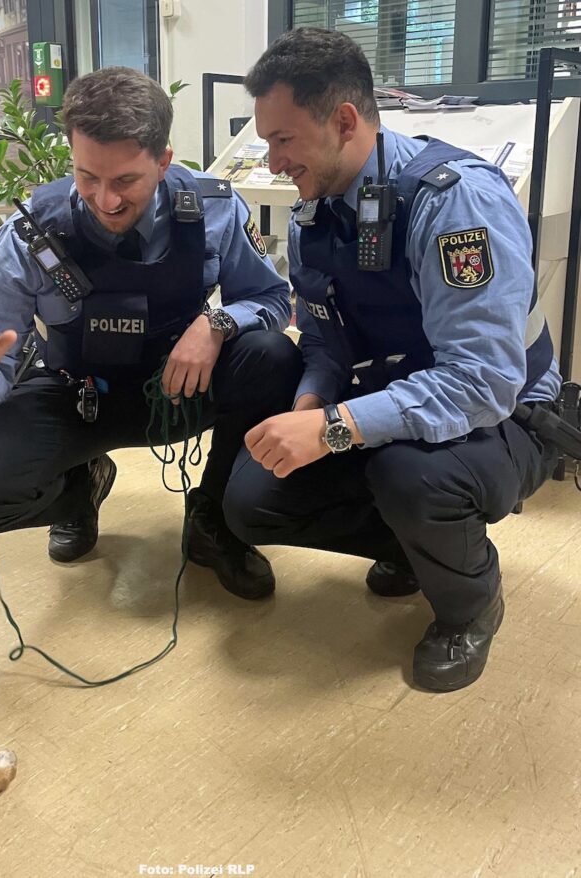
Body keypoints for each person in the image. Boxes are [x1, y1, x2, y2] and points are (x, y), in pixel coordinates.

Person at [224, 28, 562, 690]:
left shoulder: (454, 201)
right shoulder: (313, 211)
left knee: (413, 479)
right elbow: (324, 339)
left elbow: (482, 382)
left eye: (282, 139)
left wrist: (331, 430)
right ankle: (419, 548)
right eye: (265, 142)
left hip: (511, 413)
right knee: (252, 500)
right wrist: (310, 404)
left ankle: (471, 603)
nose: (271, 162)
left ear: (344, 120)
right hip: (400, 392)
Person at [0, 66, 302, 601]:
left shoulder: (214, 211)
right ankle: (79, 490)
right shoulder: (29, 234)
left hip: (177, 391)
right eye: (87, 177)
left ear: (163, 161)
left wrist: (217, 323)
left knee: (273, 358)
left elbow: (274, 301)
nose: (105, 200)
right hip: (76, 396)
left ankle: (212, 520)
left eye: (124, 181)